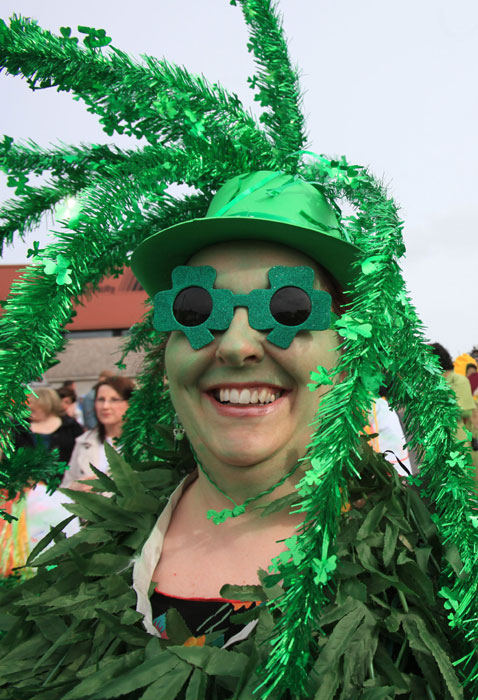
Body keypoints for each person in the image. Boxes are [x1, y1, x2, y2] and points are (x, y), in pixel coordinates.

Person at [62, 376, 134, 491]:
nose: (105, 406)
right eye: (101, 399)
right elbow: (65, 486)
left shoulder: (144, 443)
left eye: (114, 400)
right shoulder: (84, 441)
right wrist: (75, 488)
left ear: (130, 403)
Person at [14, 387, 83, 464]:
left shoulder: (71, 427)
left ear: (46, 404)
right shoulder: (19, 428)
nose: (29, 407)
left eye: (33, 403)